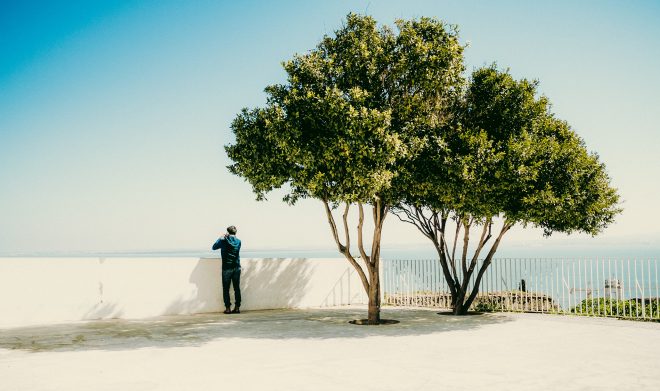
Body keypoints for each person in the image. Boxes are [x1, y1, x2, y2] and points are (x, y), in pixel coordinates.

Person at [212, 226, 242, 314]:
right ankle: (237, 308)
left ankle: (228, 308)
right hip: (237, 267)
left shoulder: (223, 241)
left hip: (226, 268)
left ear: (228, 232)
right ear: (235, 233)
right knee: (237, 288)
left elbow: (214, 247)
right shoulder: (239, 241)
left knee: (226, 289)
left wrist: (220, 238)